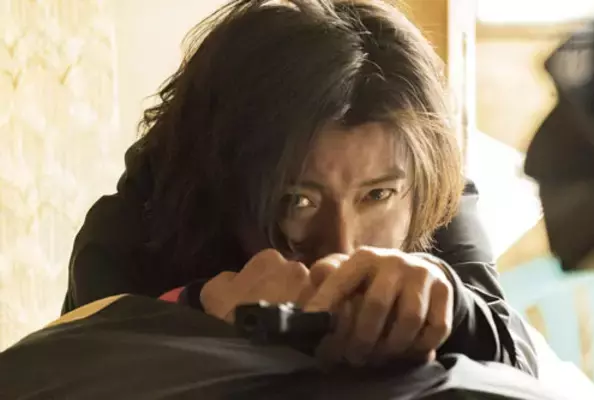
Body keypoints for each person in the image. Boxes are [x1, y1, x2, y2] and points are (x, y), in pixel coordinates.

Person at [62, 0, 536, 373]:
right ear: (221, 185)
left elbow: (517, 363)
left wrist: (454, 309)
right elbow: (72, 374)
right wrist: (192, 312)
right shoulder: (135, 228)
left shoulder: (431, 188)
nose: (342, 249)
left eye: (377, 196)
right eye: (298, 200)